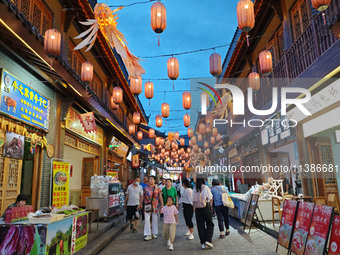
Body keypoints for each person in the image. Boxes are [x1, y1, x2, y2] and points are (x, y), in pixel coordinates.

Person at [193, 177, 214, 250]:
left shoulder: (195, 188)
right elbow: (210, 197)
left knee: (200, 226)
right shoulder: (205, 187)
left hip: (198, 209)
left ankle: (202, 243)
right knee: (210, 224)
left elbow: (192, 198)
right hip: (205, 207)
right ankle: (208, 240)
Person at [143, 176, 163, 241]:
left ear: (154, 181)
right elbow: (143, 196)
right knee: (147, 219)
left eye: (152, 179)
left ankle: (154, 233)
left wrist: (162, 204)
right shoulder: (146, 188)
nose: (150, 180)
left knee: (154, 219)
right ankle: (148, 234)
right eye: (149, 179)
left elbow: (160, 196)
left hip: (155, 205)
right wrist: (140, 203)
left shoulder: (157, 188)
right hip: (147, 205)